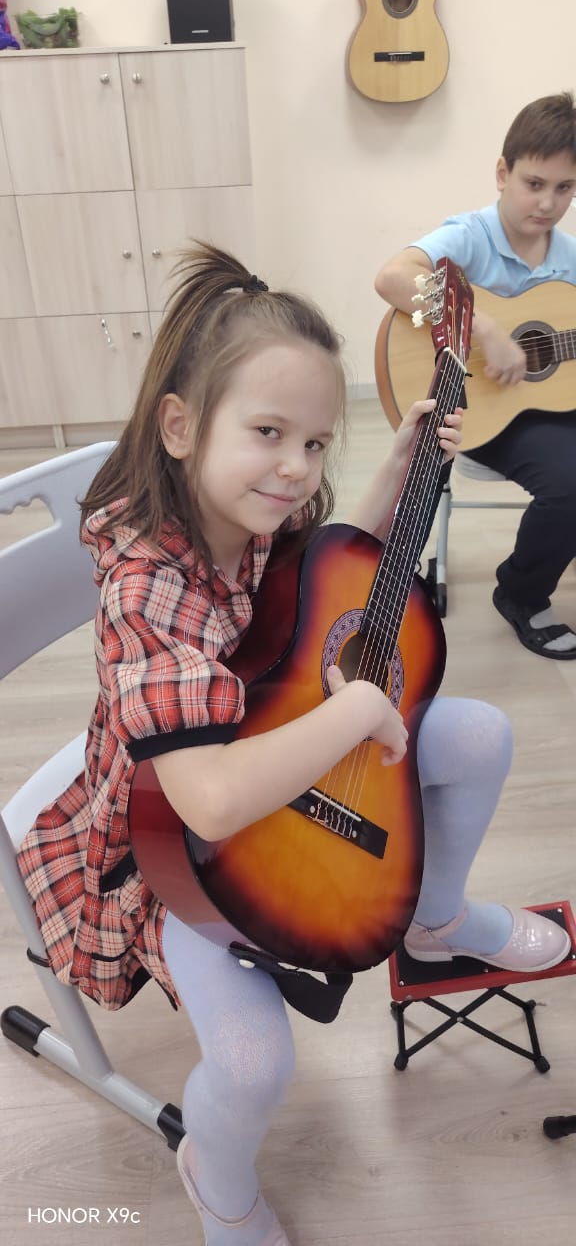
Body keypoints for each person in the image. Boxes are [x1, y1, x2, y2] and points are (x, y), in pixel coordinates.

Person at [16, 243, 570, 1246]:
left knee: (481, 734)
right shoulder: (147, 585)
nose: (295, 468)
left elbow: (318, 586)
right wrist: (355, 714)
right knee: (254, 1061)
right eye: (269, 432)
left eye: (315, 443)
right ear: (180, 426)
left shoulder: (251, 508)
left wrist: (396, 467)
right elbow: (212, 801)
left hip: (266, 728)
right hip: (171, 834)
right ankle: (215, 1175)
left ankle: (435, 918)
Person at [375, 91, 576, 659]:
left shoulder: (568, 258)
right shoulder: (470, 235)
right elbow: (393, 277)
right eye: (534, 183)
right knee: (570, 482)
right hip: (471, 409)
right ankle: (521, 594)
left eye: (565, 188)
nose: (548, 202)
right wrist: (482, 328)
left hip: (542, 407)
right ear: (502, 173)